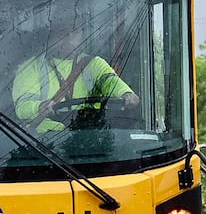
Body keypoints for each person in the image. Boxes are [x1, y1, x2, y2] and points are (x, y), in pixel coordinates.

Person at [11, 14, 139, 132]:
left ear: (81, 36)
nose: (69, 37)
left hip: (90, 136)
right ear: (51, 36)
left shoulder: (94, 63)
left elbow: (109, 80)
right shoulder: (31, 67)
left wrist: (126, 93)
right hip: (45, 142)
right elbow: (22, 107)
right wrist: (38, 107)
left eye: (74, 31)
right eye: (62, 32)